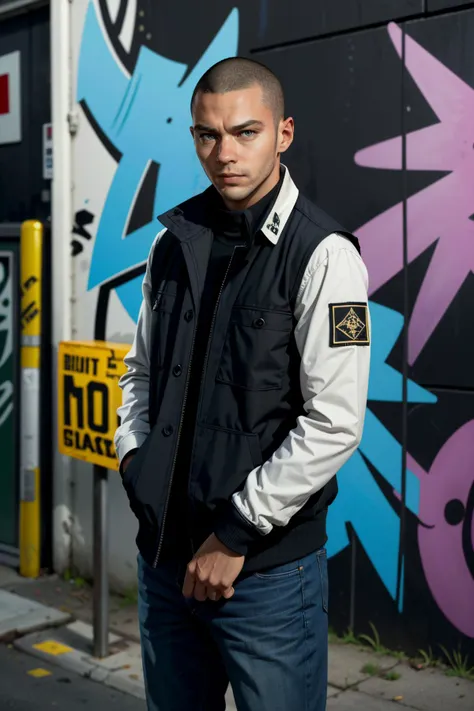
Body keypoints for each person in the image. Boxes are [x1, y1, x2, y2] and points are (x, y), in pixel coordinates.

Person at [115, 57, 371, 711]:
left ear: (283, 133)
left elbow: (334, 421)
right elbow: (139, 371)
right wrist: (133, 459)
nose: (224, 153)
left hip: (262, 577)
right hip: (166, 563)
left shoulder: (323, 254)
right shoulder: (173, 243)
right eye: (207, 135)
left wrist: (234, 534)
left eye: (245, 132)